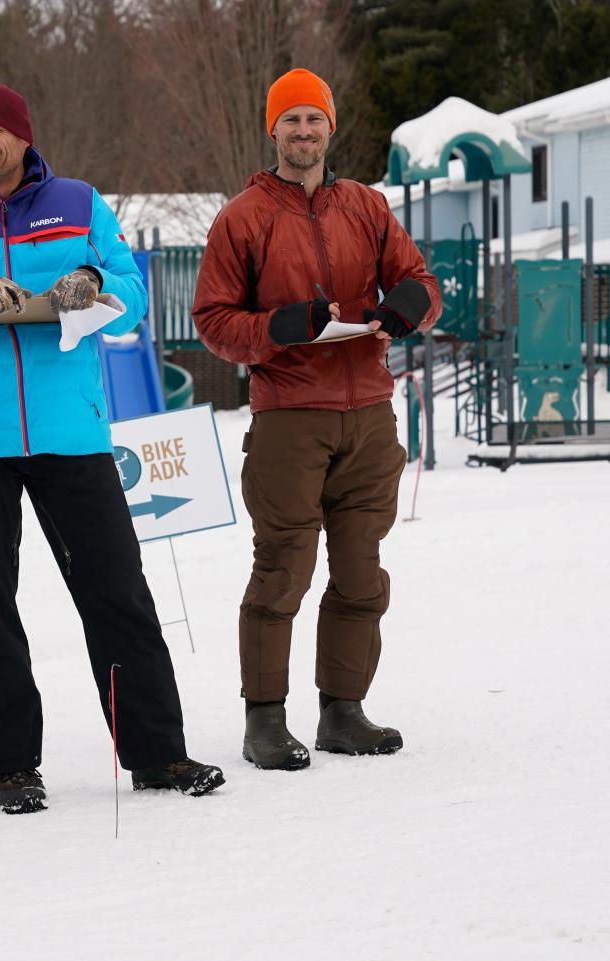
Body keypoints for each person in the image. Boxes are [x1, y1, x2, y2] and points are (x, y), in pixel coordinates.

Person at [0, 83, 224, 813]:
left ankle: (157, 754)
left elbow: (129, 285)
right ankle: (13, 768)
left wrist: (91, 280)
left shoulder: (79, 203)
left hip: (70, 433)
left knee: (118, 591)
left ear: (23, 138)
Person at [191, 68, 441, 770]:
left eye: (315, 120)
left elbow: (421, 281)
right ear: (273, 130)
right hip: (289, 417)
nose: (304, 132)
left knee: (362, 572)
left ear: (332, 128)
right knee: (282, 570)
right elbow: (213, 321)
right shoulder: (243, 217)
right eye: (291, 120)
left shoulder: (364, 206)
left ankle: (343, 711)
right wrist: (282, 326)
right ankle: (264, 721)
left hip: (368, 414)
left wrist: (405, 310)